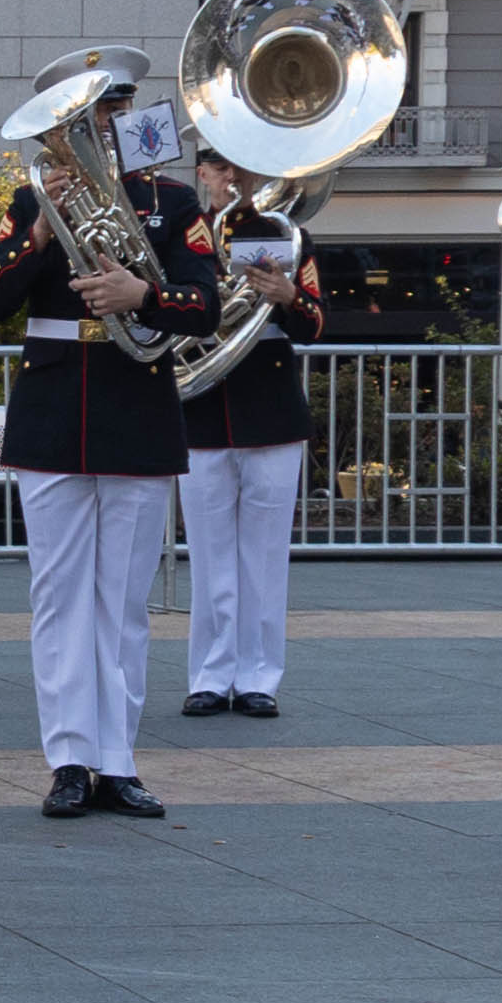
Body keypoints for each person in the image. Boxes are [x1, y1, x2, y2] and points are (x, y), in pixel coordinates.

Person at [0, 45, 221, 820]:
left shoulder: (172, 201)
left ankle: (117, 757)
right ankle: (69, 758)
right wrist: (45, 231)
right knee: (58, 599)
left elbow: (205, 305)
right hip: (53, 409)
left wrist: (141, 292)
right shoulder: (28, 204)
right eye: (87, 115)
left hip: (135, 403)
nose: (102, 125)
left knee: (121, 601)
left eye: (113, 110)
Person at [178, 144, 323, 721]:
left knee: (265, 557)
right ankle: (211, 675)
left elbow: (314, 323)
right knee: (210, 555)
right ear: (202, 174)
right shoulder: (183, 238)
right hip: (205, 409)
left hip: (269, 407)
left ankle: (259, 676)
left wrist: (288, 296)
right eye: (218, 166)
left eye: (241, 165)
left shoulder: (288, 234)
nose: (230, 177)